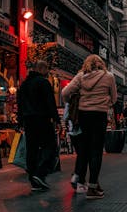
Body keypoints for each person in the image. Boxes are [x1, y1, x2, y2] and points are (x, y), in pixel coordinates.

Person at [62, 54, 117, 200]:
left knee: (85, 148)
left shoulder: (80, 76)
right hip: (99, 115)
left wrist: (73, 100)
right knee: (97, 150)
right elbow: (114, 98)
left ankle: (86, 182)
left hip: (83, 115)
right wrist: (106, 103)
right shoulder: (109, 76)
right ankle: (92, 186)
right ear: (101, 64)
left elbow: (65, 93)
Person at [16, 60, 59, 192]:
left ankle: (33, 180)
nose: (48, 73)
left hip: (29, 121)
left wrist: (21, 120)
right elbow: (50, 102)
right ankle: (40, 173)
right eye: (47, 70)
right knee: (51, 147)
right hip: (42, 119)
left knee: (32, 149)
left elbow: (20, 104)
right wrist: (56, 119)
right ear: (42, 68)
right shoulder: (43, 82)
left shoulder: (24, 85)